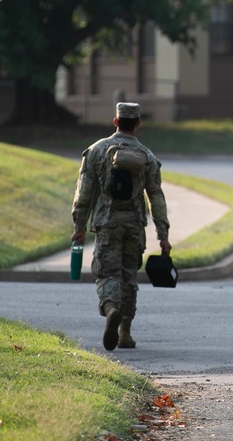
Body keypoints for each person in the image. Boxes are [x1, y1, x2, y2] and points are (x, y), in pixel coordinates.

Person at [71, 102, 171, 351]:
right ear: (138, 124)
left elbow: (84, 194)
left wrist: (79, 226)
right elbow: (156, 196)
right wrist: (163, 234)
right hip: (134, 226)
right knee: (129, 276)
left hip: (107, 224)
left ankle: (110, 308)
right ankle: (125, 332)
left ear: (115, 121)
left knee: (107, 273)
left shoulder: (96, 151)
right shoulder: (147, 157)